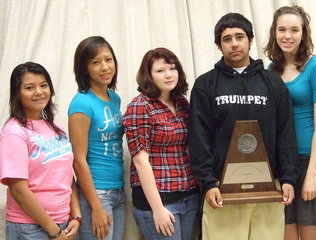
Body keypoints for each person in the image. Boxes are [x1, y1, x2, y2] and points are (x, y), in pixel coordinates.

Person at [188, 13, 298, 240]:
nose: (234, 43)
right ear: (218, 45)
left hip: (269, 189)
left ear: (250, 39)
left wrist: (288, 179)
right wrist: (208, 182)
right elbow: (199, 138)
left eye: (239, 36)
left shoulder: (273, 82)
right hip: (221, 191)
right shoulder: (205, 85)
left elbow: (285, 133)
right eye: (227, 39)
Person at [263, 5, 316, 240]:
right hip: (282, 165)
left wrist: (312, 174)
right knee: (285, 234)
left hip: (308, 161)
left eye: (294, 30)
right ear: (274, 33)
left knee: (310, 235)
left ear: (304, 33)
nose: (287, 36)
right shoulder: (270, 70)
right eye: (282, 30)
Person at [122, 47, 199, 240]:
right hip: (159, 201)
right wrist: (157, 209)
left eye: (172, 69)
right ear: (148, 76)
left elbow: (189, 148)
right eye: (160, 71)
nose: (168, 75)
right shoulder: (140, 106)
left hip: (188, 195)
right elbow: (140, 161)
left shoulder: (182, 103)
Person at [0, 62, 81, 239]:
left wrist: (76, 216)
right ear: (17, 93)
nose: (39, 92)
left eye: (43, 85)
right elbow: (19, 190)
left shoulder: (56, 128)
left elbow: (68, 176)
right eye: (30, 87)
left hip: (63, 223)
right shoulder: (14, 132)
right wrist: (54, 231)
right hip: (29, 228)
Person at [68, 36, 126, 240]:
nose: (105, 67)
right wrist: (95, 206)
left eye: (108, 60)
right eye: (96, 62)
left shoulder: (114, 98)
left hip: (118, 190)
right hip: (97, 193)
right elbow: (78, 160)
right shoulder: (81, 103)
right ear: (85, 68)